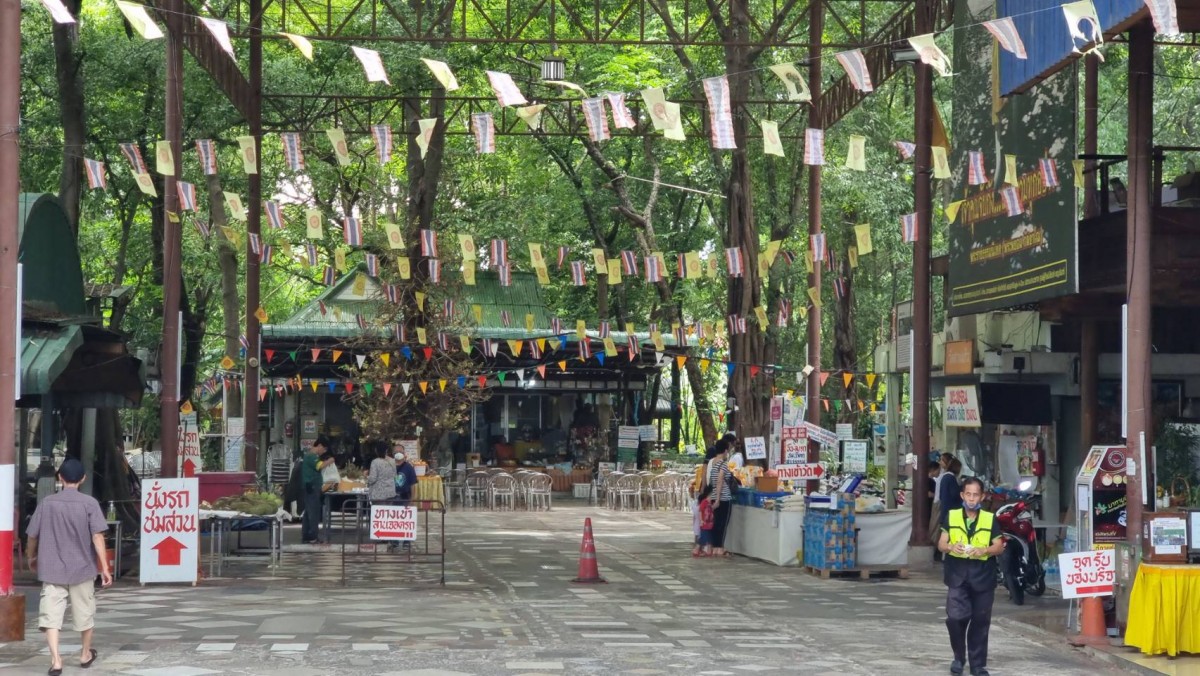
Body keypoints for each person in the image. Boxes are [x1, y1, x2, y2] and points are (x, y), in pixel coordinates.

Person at [25, 458, 112, 675]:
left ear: (59, 478)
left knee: (51, 616)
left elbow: (32, 536)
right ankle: (84, 654)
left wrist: (30, 557)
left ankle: (56, 661)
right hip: (82, 569)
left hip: (52, 570)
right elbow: (97, 537)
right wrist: (105, 568)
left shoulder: (47, 503)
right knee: (85, 613)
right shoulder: (90, 503)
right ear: (83, 479)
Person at [937, 477, 1004, 676]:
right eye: (968, 494)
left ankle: (978, 665)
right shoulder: (952, 516)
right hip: (957, 574)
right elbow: (941, 543)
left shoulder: (990, 519)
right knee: (955, 618)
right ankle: (959, 657)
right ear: (962, 495)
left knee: (980, 621)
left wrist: (985, 550)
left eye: (976, 495)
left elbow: (999, 546)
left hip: (983, 576)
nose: (972, 499)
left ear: (982, 496)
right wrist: (950, 546)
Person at [706, 442, 737, 558]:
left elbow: (713, 482)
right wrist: (718, 499)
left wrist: (714, 497)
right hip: (723, 498)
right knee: (723, 524)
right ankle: (720, 548)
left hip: (714, 497)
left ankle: (715, 547)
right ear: (725, 451)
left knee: (716, 523)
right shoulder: (723, 464)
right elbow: (719, 481)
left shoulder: (713, 464)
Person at [301, 436, 330, 543]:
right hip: (312, 487)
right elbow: (320, 466)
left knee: (309, 512)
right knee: (313, 512)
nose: (324, 451)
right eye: (324, 449)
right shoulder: (311, 456)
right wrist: (330, 460)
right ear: (320, 445)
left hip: (311, 487)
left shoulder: (311, 455)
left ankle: (307, 534)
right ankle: (313, 536)